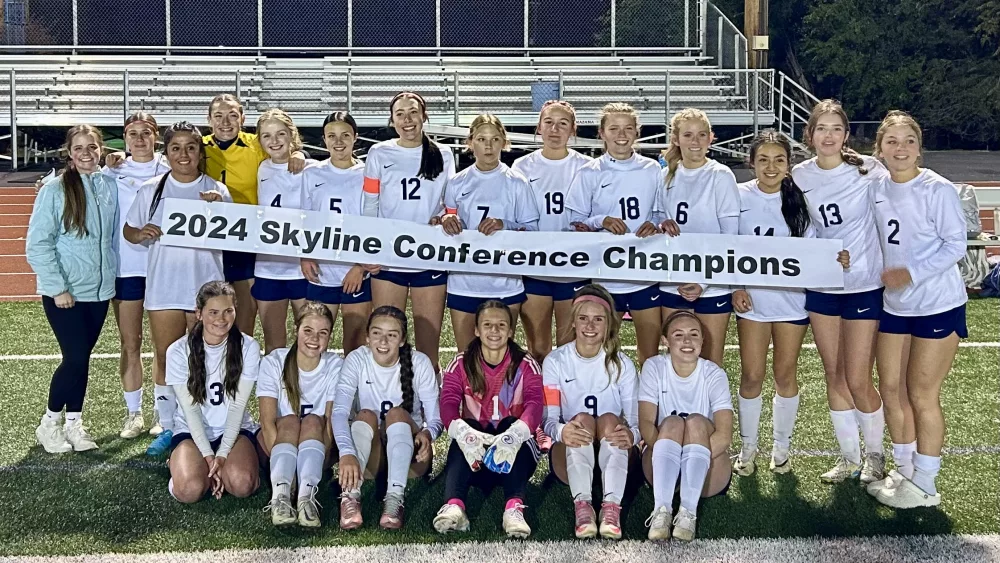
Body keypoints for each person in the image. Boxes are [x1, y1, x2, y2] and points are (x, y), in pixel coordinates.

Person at [731, 130, 849, 476]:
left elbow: (815, 249)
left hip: (792, 301)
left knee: (785, 373)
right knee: (752, 375)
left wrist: (834, 259)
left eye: (779, 159)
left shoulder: (800, 200)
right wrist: (735, 286)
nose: (771, 166)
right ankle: (748, 446)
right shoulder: (737, 196)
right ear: (751, 162)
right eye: (763, 159)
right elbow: (726, 246)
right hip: (752, 299)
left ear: (789, 164)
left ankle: (781, 448)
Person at [867, 111, 967, 509]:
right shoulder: (876, 187)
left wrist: (911, 273)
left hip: (936, 303)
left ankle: (926, 484)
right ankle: (904, 469)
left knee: (922, 393)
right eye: (892, 141)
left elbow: (955, 245)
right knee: (891, 388)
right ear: (880, 149)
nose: (901, 148)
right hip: (895, 305)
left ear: (919, 147)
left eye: (909, 140)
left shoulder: (937, 189)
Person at [791, 99, 888, 485]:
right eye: (821, 128)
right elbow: (802, 226)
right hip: (823, 284)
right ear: (810, 134)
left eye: (836, 129)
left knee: (859, 378)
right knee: (834, 374)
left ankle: (876, 455)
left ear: (846, 135)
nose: (828, 136)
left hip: (863, 283)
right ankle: (849, 457)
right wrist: (821, 253)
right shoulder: (799, 174)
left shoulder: (868, 169)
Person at [123, 121, 232, 457]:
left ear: (200, 152)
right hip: (165, 286)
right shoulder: (152, 189)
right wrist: (141, 234)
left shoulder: (217, 190)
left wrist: (221, 210)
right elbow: (129, 230)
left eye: (190, 147)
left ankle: (212, 422)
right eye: (175, 148)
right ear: (166, 152)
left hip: (207, 289)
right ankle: (168, 424)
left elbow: (233, 236)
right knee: (167, 356)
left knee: (208, 358)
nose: (183, 154)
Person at [28, 124, 118, 454]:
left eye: (92, 147)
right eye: (78, 147)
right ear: (69, 152)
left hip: (99, 292)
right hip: (66, 293)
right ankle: (49, 423)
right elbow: (37, 244)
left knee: (82, 360)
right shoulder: (53, 190)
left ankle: (74, 424)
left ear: (101, 150)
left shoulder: (109, 184)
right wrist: (56, 287)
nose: (85, 153)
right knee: (75, 357)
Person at [363, 92, 456, 375]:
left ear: (424, 116)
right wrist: (370, 251)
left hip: (430, 257)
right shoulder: (379, 153)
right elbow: (369, 207)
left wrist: (446, 218)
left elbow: (452, 206)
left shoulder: (443, 154)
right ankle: (388, 406)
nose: (407, 119)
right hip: (390, 259)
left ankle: (431, 413)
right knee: (387, 343)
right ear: (392, 121)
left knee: (429, 349)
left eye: (413, 112)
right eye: (400, 114)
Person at [433, 301, 543, 538]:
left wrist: (513, 437)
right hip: (476, 453)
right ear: (476, 330)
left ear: (511, 331)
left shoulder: (525, 364)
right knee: (468, 427)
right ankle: (454, 506)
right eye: (488, 325)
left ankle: (514, 509)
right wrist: (463, 433)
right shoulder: (461, 363)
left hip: (514, 455)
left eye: (501, 325)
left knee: (509, 424)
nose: (494, 331)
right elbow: (448, 403)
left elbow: (535, 405)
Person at [565, 102, 663, 365]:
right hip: (603, 277)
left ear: (637, 132)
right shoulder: (589, 172)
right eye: (614, 128)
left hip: (644, 272)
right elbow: (573, 221)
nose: (621, 135)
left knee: (650, 356)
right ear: (602, 133)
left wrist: (653, 224)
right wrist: (602, 220)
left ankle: (645, 406)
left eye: (628, 128)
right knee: (601, 354)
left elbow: (660, 212)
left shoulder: (652, 169)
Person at [543, 285, 640, 540]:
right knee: (582, 420)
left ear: (609, 323)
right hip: (571, 455)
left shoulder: (623, 364)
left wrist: (633, 435)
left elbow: (635, 423)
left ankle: (611, 508)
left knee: (610, 420)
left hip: (615, 455)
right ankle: (583, 506)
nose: (590, 325)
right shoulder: (555, 361)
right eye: (583, 318)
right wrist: (563, 431)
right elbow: (549, 421)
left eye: (598, 319)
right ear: (573, 321)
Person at [332, 306, 442, 530]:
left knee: (396, 414)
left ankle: (394, 500)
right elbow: (339, 413)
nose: (383, 341)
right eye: (376, 333)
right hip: (368, 460)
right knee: (365, 415)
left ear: (402, 340)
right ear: (367, 336)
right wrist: (346, 453)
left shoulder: (419, 363)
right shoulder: (357, 360)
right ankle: (350, 498)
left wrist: (427, 434)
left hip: (411, 460)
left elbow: (436, 421)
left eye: (391, 335)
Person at [441, 113, 540, 351]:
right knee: (467, 355)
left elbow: (533, 231)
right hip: (464, 281)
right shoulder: (456, 182)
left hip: (505, 283)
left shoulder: (517, 182)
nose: (488, 145)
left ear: (504, 142)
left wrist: (504, 224)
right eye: (482, 139)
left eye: (495, 139)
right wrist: (447, 220)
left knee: (503, 356)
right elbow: (449, 221)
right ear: (470, 142)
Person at [102, 111, 169, 439]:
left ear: (156, 136)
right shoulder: (113, 170)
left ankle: (162, 411)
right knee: (130, 342)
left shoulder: (171, 168)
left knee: (163, 346)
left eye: (146, 132)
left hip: (162, 268)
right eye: (132, 133)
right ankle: (133, 413)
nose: (139, 139)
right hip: (126, 267)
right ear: (124, 138)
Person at [657, 108, 740, 368]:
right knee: (676, 362)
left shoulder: (721, 175)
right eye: (688, 135)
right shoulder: (664, 176)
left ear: (711, 138)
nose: (695, 141)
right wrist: (661, 224)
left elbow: (730, 237)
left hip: (712, 283)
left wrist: (702, 282)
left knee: (710, 362)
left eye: (701, 135)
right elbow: (657, 228)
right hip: (673, 280)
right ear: (676, 139)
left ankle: (710, 411)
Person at [639, 311, 733, 541]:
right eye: (678, 335)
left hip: (707, 464)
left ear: (703, 340)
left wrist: (689, 462)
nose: (687, 341)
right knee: (672, 423)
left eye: (693, 334)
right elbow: (646, 425)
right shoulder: (654, 367)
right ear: (665, 341)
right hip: (661, 461)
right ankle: (662, 510)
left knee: (695, 422)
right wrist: (671, 458)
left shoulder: (714, 373)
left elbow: (724, 435)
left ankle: (687, 513)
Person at [512, 100, 593, 362]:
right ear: (538, 128)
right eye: (548, 122)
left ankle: (568, 402)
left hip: (575, 265)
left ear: (573, 130)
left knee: (571, 349)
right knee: (538, 348)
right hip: (535, 265)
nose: (555, 129)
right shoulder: (522, 167)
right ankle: (542, 404)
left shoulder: (588, 167)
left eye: (563, 123)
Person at [165, 281, 260, 504]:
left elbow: (237, 406)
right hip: (191, 431)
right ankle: (180, 467)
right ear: (199, 314)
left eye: (228, 311)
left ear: (236, 309)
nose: (221, 319)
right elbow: (190, 410)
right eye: (213, 312)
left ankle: (227, 470)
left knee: (242, 484)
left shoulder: (248, 347)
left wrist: (223, 453)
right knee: (190, 490)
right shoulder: (178, 351)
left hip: (234, 430)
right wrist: (210, 458)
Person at [257, 302, 342, 527]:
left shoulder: (335, 365)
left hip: (318, 448)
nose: (314, 338)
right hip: (276, 445)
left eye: (322, 333)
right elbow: (266, 424)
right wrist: (288, 470)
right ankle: (281, 496)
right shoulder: (274, 361)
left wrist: (313, 468)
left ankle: (307, 497)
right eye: (308, 331)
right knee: (290, 421)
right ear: (296, 329)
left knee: (314, 420)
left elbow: (330, 426)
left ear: (330, 337)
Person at [300, 111, 375, 356]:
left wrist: (360, 266)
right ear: (324, 139)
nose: (338, 141)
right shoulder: (312, 173)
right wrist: (306, 256)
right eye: (332, 136)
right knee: (314, 342)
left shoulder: (368, 174)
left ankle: (353, 395)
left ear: (356, 138)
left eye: (345, 135)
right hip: (322, 270)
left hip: (356, 272)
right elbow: (306, 219)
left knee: (354, 345)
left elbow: (375, 223)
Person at [253, 109, 311, 353]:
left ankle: (308, 391)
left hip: (303, 268)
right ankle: (279, 391)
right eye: (266, 136)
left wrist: (301, 154)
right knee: (274, 345)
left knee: (309, 342)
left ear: (292, 135)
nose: (274, 141)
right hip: (268, 266)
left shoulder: (311, 169)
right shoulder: (261, 169)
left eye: (280, 134)